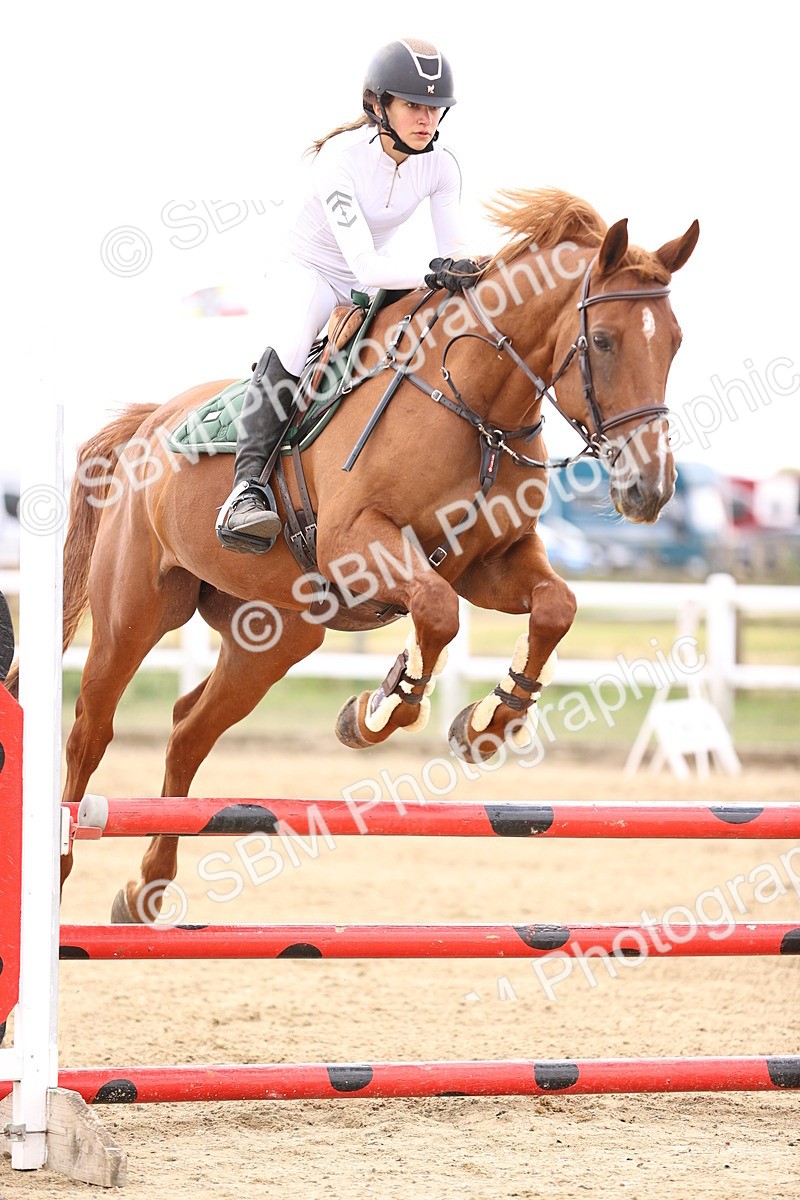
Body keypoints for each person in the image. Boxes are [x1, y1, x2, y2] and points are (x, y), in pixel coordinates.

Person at [216, 36, 480, 551]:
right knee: (294, 343)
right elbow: (368, 263)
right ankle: (245, 490)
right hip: (308, 270)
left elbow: (456, 252)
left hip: (368, 281)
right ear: (379, 105)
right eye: (412, 105)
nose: (426, 119)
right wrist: (436, 269)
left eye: (434, 108)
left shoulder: (442, 166)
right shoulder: (340, 158)